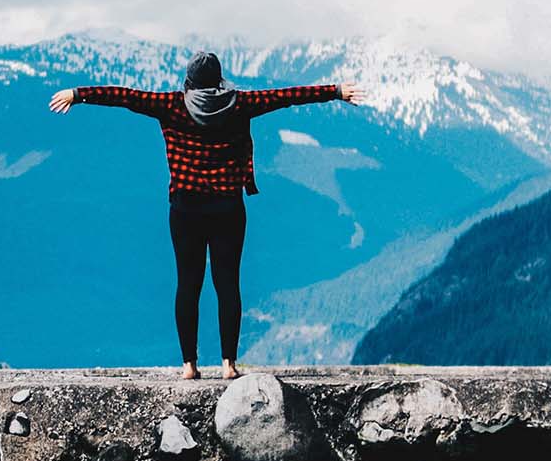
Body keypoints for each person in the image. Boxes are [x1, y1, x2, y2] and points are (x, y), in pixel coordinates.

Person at [48, 52, 366, 380]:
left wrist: (79, 94)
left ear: (189, 81)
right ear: (219, 80)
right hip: (228, 208)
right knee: (227, 284)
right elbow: (286, 97)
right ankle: (228, 364)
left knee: (188, 284)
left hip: (185, 209)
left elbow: (126, 97)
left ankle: (189, 365)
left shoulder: (171, 105)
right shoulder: (240, 104)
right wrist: (337, 91)